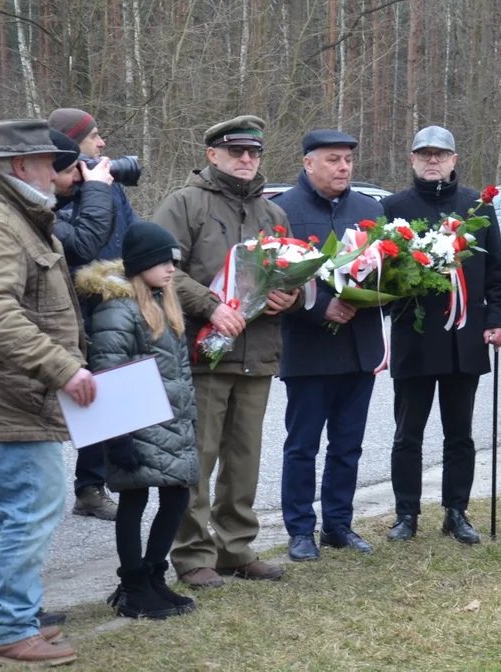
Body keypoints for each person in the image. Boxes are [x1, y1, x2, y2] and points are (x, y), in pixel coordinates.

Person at [154, 115, 298, 589]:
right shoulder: (184, 204)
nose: (246, 160)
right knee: (199, 458)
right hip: (203, 354)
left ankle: (235, 549)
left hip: (258, 353)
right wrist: (211, 306)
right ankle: (193, 555)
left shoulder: (273, 214)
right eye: (236, 151)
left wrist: (289, 297)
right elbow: (160, 273)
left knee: (244, 459)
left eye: (253, 152)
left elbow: (290, 274)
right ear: (212, 155)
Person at [0, 119, 89, 666]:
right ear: (20, 167)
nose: (60, 171)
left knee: (6, 512)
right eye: (49, 162)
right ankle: (10, 631)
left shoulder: (10, 212)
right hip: (15, 392)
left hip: (14, 391)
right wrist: (62, 368)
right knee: (32, 509)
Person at [381, 125, 501, 545]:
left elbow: (496, 275)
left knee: (460, 434)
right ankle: (406, 514)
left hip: (465, 340)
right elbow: (382, 278)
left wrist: (499, 320)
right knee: (408, 434)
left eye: (440, 154)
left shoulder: (477, 205)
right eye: (424, 154)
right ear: (412, 159)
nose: (432, 160)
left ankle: (456, 511)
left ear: (454, 160)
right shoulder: (393, 208)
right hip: (415, 339)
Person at [77, 222, 199, 620]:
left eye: (174, 261)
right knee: (135, 497)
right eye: (163, 261)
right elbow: (106, 370)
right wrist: (118, 436)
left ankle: (154, 575)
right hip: (135, 424)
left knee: (177, 495)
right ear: (142, 263)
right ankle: (132, 586)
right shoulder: (117, 308)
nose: (171, 268)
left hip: (170, 421)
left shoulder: (166, 301)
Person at [275, 130, 385, 560]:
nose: (343, 168)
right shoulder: (282, 210)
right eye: (333, 160)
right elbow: (276, 276)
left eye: (348, 161)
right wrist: (319, 307)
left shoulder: (369, 209)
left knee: (348, 443)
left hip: (360, 345)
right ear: (308, 163)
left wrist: (378, 292)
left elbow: (383, 268)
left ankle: (338, 524)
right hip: (308, 348)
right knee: (303, 444)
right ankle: (300, 529)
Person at [50, 107, 142, 522]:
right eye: (94, 137)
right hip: (74, 305)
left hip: (117, 298)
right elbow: (75, 245)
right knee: (80, 392)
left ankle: (101, 482)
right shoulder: (57, 194)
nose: (102, 144)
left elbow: (131, 231)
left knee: (112, 390)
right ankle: (74, 487)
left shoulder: (105, 183)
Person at [51, 130, 116, 268]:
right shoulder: (25, 212)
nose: (76, 177)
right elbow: (83, 246)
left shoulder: (39, 210)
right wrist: (97, 188)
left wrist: (89, 190)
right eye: (69, 170)